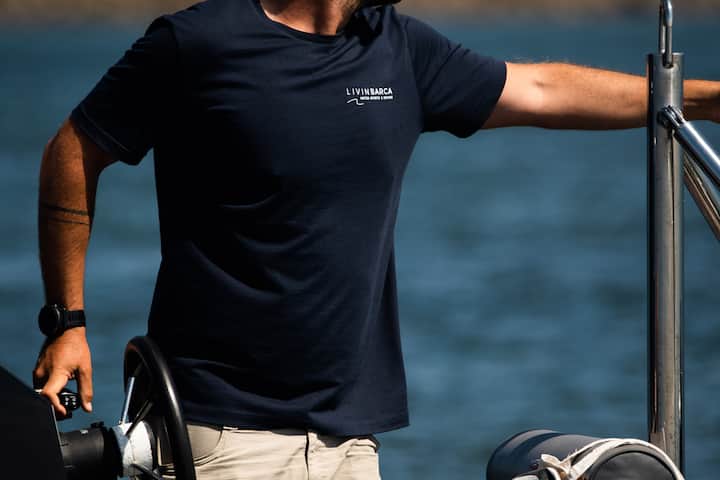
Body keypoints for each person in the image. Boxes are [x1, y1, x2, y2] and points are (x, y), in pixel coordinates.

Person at [33, 0, 719, 478]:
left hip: (352, 444)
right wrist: (68, 323)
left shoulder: (398, 50)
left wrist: (699, 98)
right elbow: (74, 149)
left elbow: (540, 89)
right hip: (219, 438)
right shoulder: (198, 43)